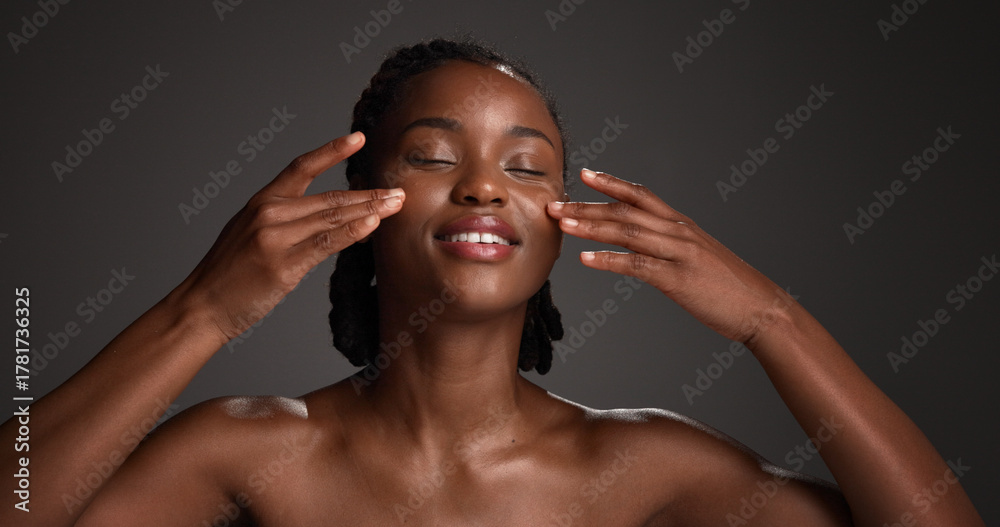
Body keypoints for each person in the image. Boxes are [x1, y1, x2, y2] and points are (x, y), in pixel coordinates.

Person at [1, 38, 984, 526]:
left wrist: (772, 318)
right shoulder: (255, 448)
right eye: (433, 155)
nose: (480, 187)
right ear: (363, 201)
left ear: (559, 223)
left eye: (525, 166)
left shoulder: (638, 465)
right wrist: (201, 309)